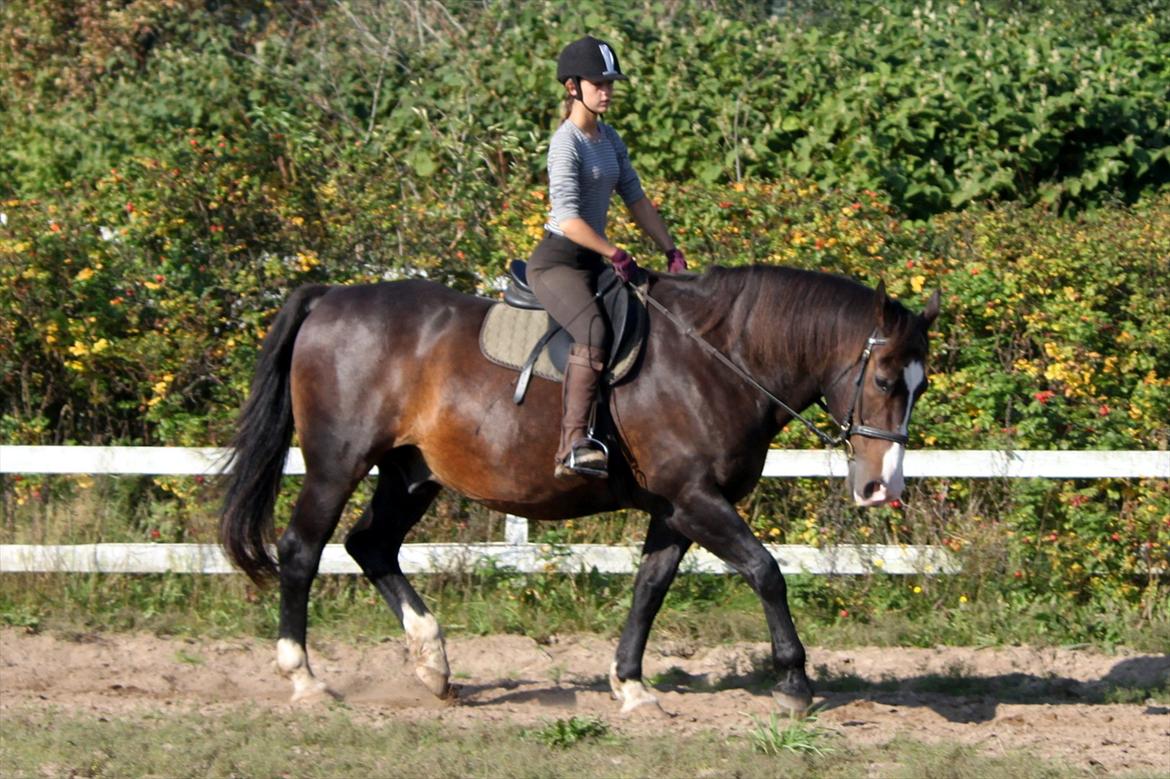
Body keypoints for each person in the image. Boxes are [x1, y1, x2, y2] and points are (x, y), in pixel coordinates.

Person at [527, 35, 687, 480]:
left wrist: (669, 248)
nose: (607, 91)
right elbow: (569, 219)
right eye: (598, 83)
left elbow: (635, 198)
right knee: (594, 330)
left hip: (593, 259)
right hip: (559, 260)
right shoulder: (567, 143)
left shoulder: (609, 137)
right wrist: (614, 251)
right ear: (573, 87)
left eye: (610, 83)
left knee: (650, 310)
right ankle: (573, 444)